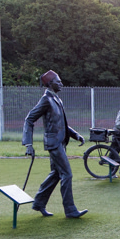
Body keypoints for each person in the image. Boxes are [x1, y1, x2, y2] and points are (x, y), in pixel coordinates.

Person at [23, 70, 88, 219]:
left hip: (60, 142)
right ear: (51, 84)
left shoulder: (56, 99)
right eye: (58, 82)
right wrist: (28, 144)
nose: (61, 84)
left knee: (56, 174)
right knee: (67, 174)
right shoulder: (46, 99)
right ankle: (70, 210)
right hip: (53, 143)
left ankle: (39, 203)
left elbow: (61, 124)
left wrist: (75, 135)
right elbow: (29, 119)